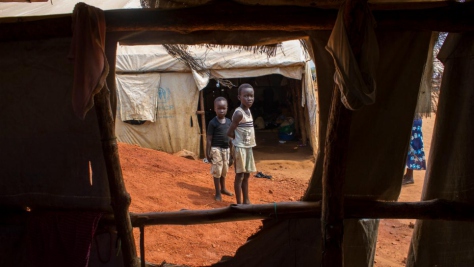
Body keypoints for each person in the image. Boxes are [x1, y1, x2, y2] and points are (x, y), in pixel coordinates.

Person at [227, 83, 257, 204]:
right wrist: (236, 142)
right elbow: (230, 132)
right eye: (246, 96)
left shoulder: (248, 111)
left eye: (251, 96)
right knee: (240, 176)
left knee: (247, 175)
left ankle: (246, 200)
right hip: (240, 148)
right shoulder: (239, 113)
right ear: (239, 97)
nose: (249, 98)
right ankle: (239, 203)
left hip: (248, 147)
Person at [206, 97, 234, 201]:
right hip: (216, 149)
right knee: (217, 170)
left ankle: (223, 188)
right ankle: (217, 192)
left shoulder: (228, 121)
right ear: (214, 109)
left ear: (227, 108)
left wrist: (232, 154)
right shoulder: (212, 123)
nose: (221, 110)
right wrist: (207, 153)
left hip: (226, 150)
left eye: (224, 108)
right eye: (219, 108)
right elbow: (209, 139)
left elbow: (230, 138)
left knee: (224, 170)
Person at [402, 116, 427, 185]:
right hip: (414, 120)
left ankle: (409, 176)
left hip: (414, 122)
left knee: (411, 147)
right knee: (410, 147)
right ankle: (408, 175)